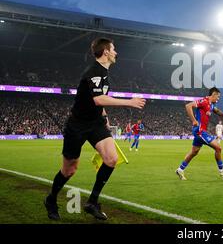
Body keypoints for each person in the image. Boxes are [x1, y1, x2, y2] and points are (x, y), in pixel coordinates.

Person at [44, 38, 146, 220]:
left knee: (111, 158)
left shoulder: (104, 72)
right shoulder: (94, 72)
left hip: (96, 123)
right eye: (113, 49)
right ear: (106, 52)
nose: (116, 52)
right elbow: (98, 99)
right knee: (69, 170)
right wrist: (129, 102)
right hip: (77, 125)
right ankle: (51, 200)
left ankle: (92, 202)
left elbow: (99, 101)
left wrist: (105, 117)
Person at [175, 87, 223, 180]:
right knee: (218, 148)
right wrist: (193, 120)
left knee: (194, 152)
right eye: (218, 97)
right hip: (200, 131)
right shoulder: (204, 101)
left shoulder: (211, 105)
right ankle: (222, 172)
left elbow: (217, 111)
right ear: (213, 94)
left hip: (201, 132)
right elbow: (188, 106)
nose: (218, 99)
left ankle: (180, 169)